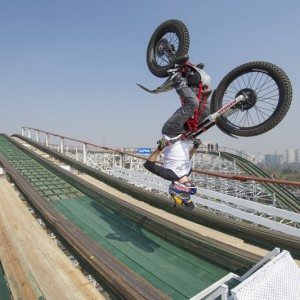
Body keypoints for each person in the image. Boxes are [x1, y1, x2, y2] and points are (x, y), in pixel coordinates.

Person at [144, 65, 211, 206]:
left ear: (180, 188)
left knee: (192, 104)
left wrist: (160, 148)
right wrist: (195, 148)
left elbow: (148, 165)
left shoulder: (170, 175)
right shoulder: (188, 171)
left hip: (171, 132)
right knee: (206, 112)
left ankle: (176, 77)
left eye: (187, 190)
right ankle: (192, 83)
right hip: (185, 134)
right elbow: (188, 157)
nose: (190, 185)